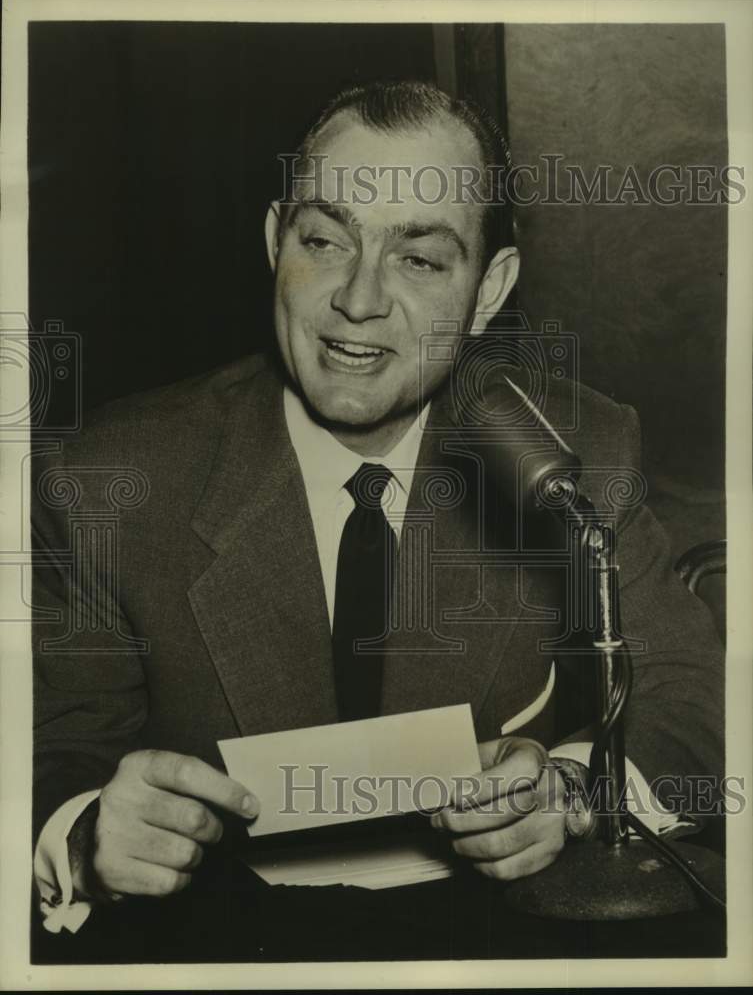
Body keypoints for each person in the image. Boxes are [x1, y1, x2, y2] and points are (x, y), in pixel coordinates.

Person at [31, 80, 724, 936]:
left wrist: (576, 792)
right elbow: (49, 745)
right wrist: (86, 826)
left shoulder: (576, 452)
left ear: (489, 289)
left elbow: (695, 699)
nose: (358, 300)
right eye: (324, 240)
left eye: (419, 258)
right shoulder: (110, 475)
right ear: (273, 242)